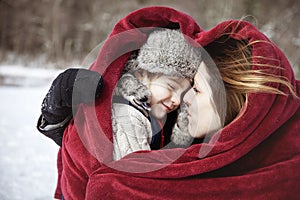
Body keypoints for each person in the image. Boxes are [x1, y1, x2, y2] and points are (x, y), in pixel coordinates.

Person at [37, 6, 299, 199]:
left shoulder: (279, 171)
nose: (182, 101)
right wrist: (68, 124)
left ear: (238, 108)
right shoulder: (165, 115)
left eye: (195, 89)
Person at [111, 29, 201, 160]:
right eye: (171, 86)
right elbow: (136, 171)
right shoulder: (129, 115)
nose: (176, 100)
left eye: (182, 95)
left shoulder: (150, 112)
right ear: (141, 74)